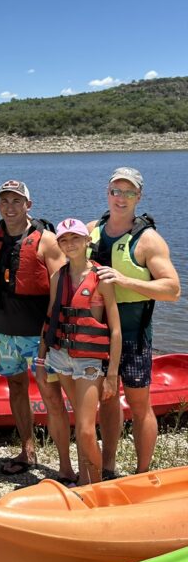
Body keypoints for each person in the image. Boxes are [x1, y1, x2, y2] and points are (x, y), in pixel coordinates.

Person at [87, 167, 181, 476]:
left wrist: (125, 280)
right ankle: (108, 468)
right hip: (97, 336)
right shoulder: (91, 231)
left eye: (129, 192)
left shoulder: (148, 240)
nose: (121, 198)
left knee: (139, 405)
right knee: (107, 400)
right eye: (116, 191)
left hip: (133, 335)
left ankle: (143, 473)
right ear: (108, 193)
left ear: (138, 197)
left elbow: (172, 290)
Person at [0, 179, 77, 483]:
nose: (10, 207)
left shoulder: (46, 240)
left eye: (16, 201)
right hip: (4, 332)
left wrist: (52, 333)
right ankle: (27, 450)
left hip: (38, 335)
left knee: (51, 394)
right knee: (16, 387)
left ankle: (65, 466)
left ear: (28, 205)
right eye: (4, 201)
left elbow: (62, 287)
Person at [36, 219, 121, 485]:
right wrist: (41, 360)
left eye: (75, 238)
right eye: (64, 239)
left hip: (89, 362)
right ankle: (85, 481)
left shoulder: (101, 279)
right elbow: (50, 319)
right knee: (80, 422)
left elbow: (115, 331)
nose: (70, 244)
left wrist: (112, 375)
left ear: (87, 241)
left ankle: (93, 485)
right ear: (59, 244)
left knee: (85, 430)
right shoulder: (57, 277)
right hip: (60, 358)